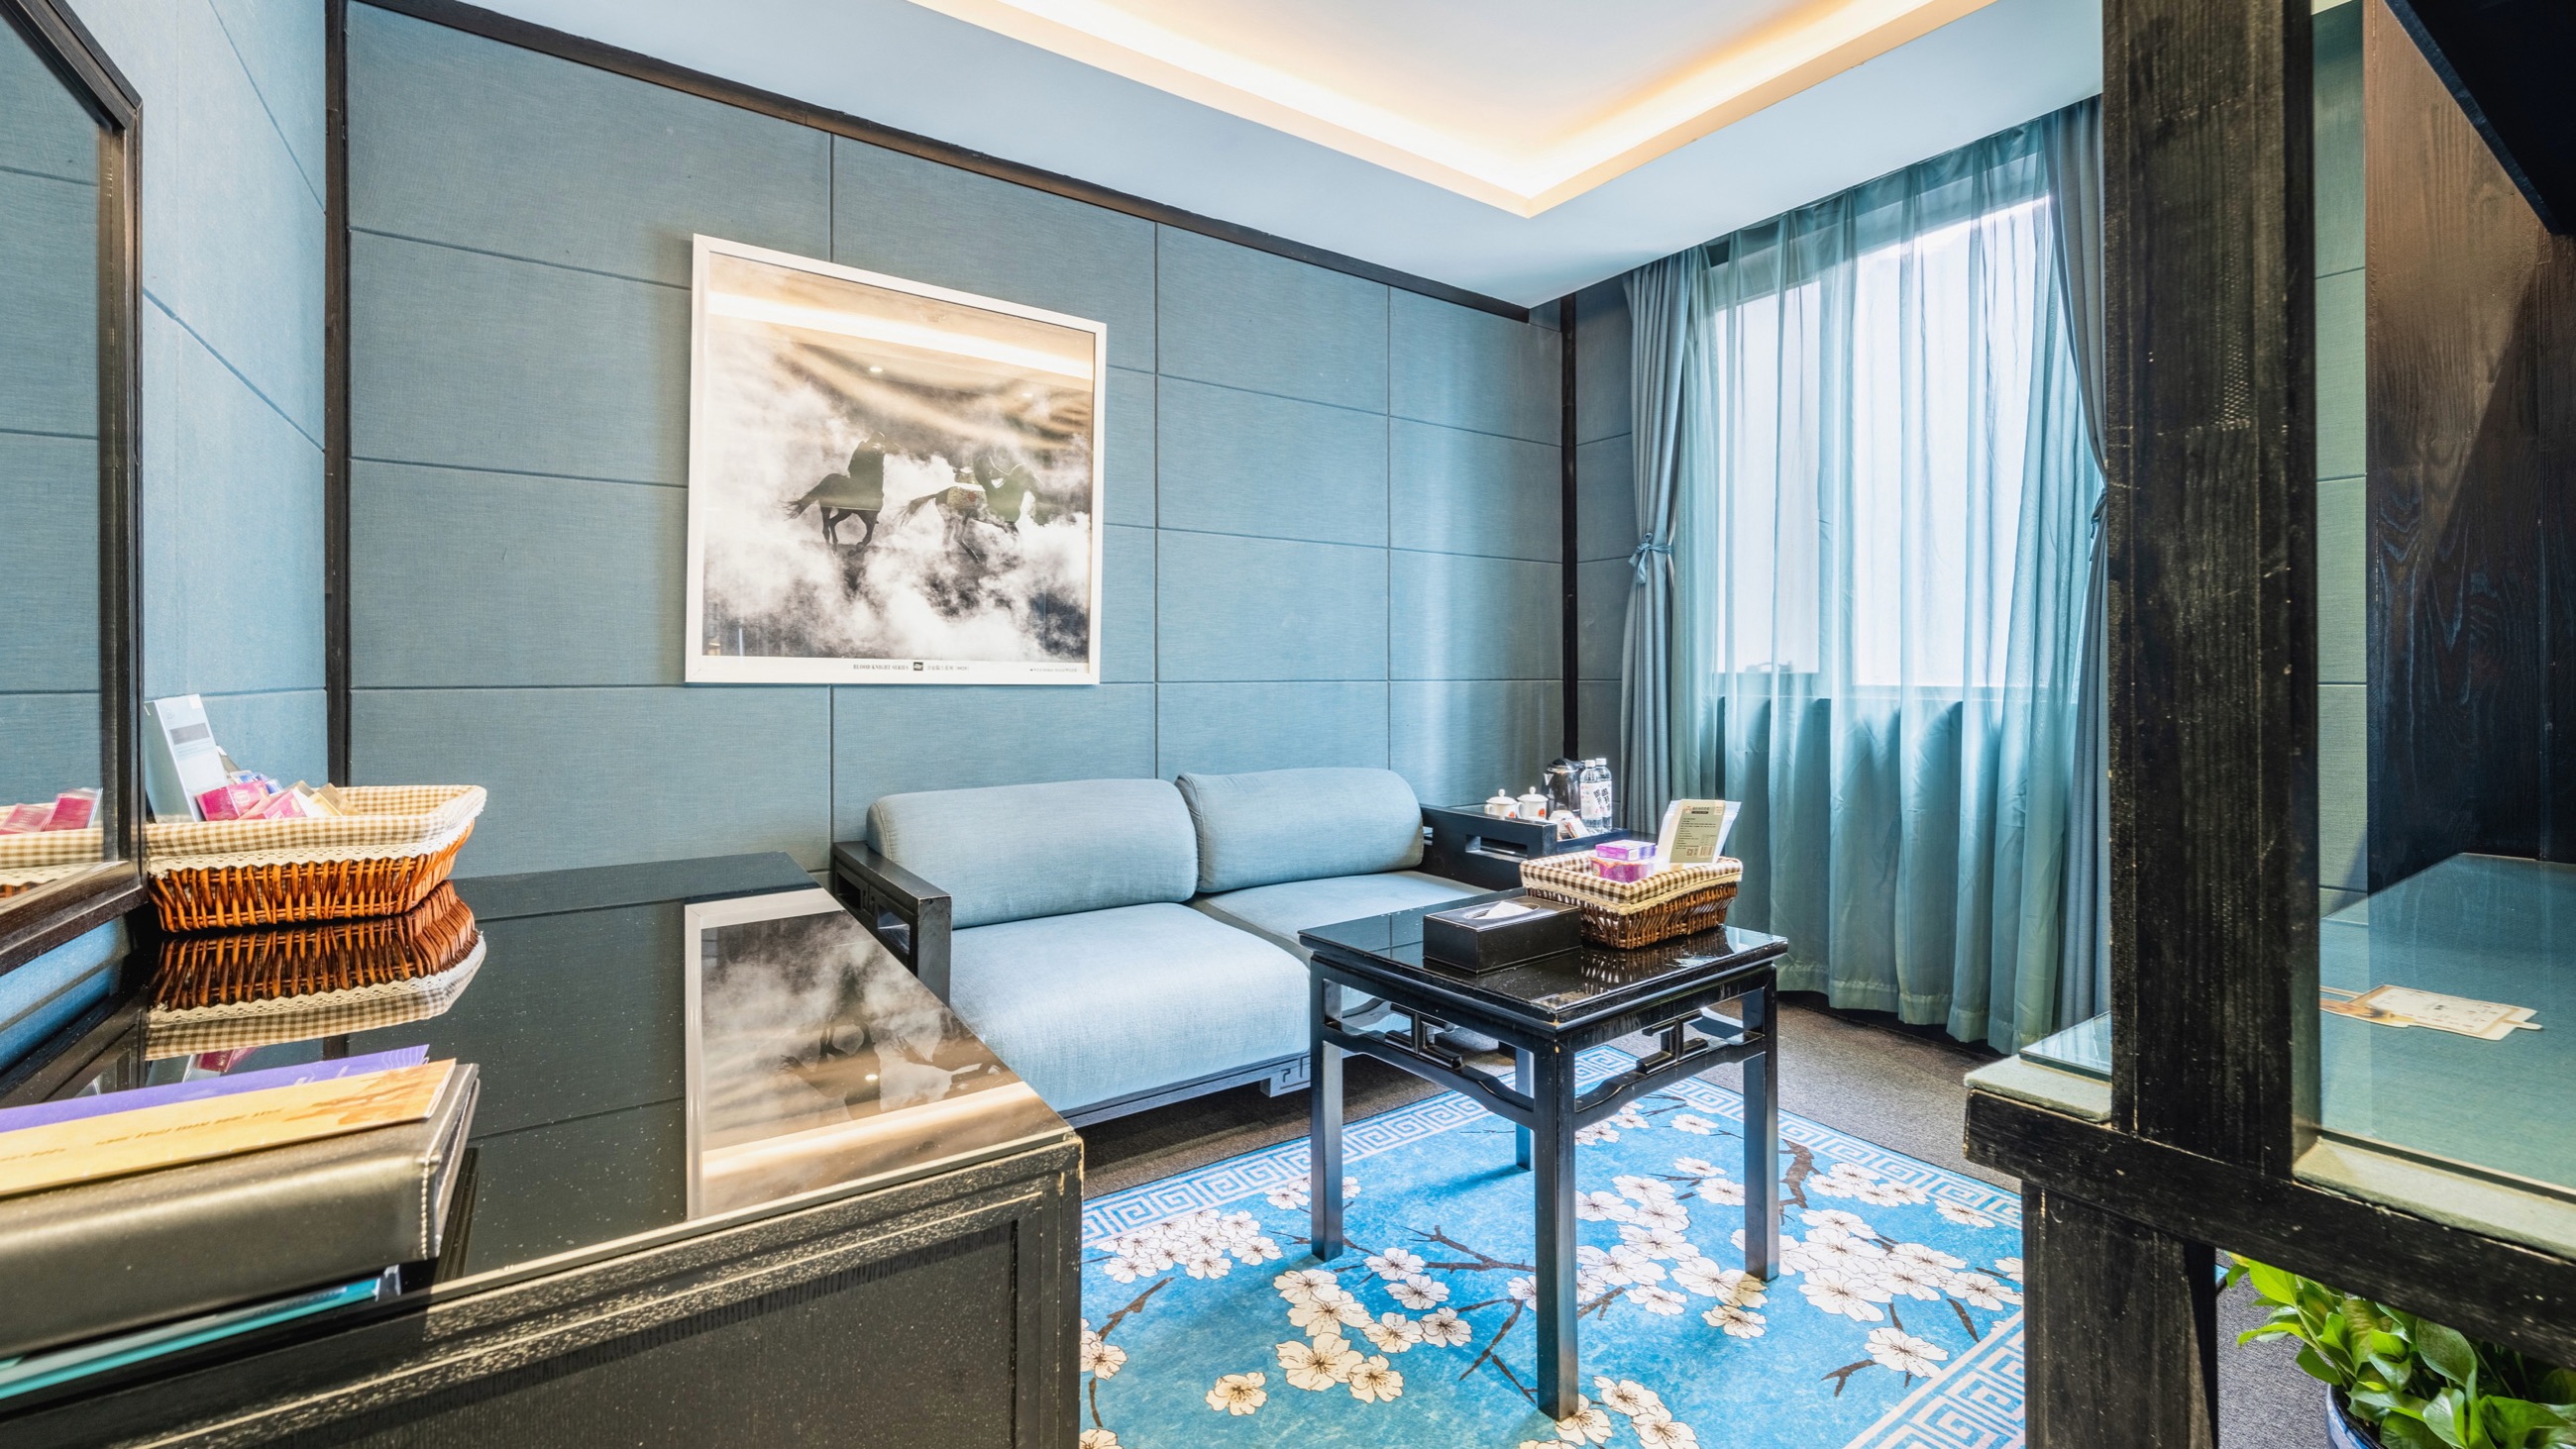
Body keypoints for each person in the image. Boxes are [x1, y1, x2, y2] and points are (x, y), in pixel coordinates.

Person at [784, 440, 887, 548]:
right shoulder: (876, 447)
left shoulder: (863, 445)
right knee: (874, 496)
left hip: (855, 472)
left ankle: (828, 538)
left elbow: (855, 462)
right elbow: (874, 455)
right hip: (860, 477)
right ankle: (869, 515)